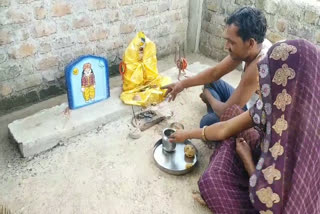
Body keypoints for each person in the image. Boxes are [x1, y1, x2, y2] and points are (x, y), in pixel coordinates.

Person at [169, 39, 320, 213]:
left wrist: (247, 160)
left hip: (270, 200)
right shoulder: (278, 103)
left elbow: (271, 203)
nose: (262, 88)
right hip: (265, 155)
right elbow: (226, 126)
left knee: (212, 182)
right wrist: (186, 133)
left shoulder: (306, 144)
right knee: (232, 113)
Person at [162, 7, 272, 128]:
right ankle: (216, 110)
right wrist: (182, 84)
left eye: (232, 42)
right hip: (246, 102)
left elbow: (226, 112)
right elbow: (214, 73)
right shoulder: (255, 45)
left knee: (207, 122)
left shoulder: (259, 65)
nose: (226, 46)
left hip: (255, 118)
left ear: (250, 43)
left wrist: (208, 97)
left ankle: (215, 111)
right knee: (211, 82)